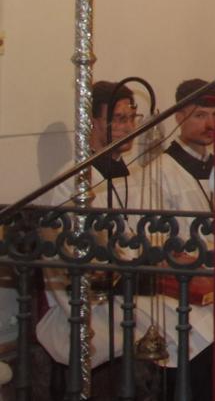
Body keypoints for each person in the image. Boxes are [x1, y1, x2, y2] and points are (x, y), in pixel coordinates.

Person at [35, 82, 151, 398]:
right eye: (118, 118)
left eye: (132, 117)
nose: (128, 127)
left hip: (133, 291)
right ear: (93, 123)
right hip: (91, 303)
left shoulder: (130, 171)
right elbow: (62, 259)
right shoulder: (72, 181)